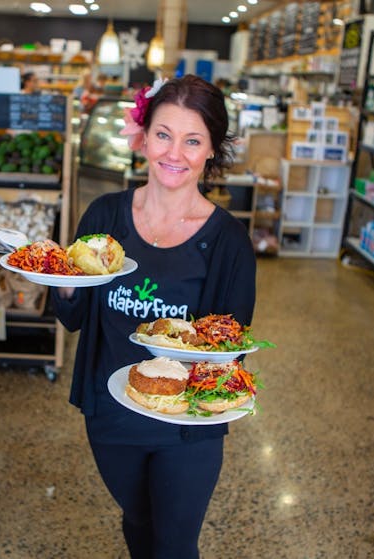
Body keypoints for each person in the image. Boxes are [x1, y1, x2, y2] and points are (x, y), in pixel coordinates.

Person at [51, 75, 257, 559]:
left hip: (185, 427)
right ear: (143, 136)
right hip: (111, 410)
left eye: (192, 141)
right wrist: (61, 277)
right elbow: (74, 316)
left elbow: (227, 350)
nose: (174, 153)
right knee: (138, 519)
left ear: (211, 151)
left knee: (176, 543)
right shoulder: (104, 217)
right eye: (164, 134)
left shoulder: (228, 242)